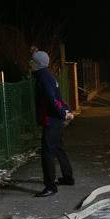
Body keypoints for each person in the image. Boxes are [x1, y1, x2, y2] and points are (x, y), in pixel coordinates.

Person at [31, 50, 74, 197]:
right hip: (57, 121)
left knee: (47, 153)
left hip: (52, 121)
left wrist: (63, 113)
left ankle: (50, 187)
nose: (30, 64)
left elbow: (51, 99)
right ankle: (68, 178)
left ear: (38, 64)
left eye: (32, 61)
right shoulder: (48, 76)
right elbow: (58, 97)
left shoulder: (43, 77)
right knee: (59, 149)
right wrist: (65, 111)